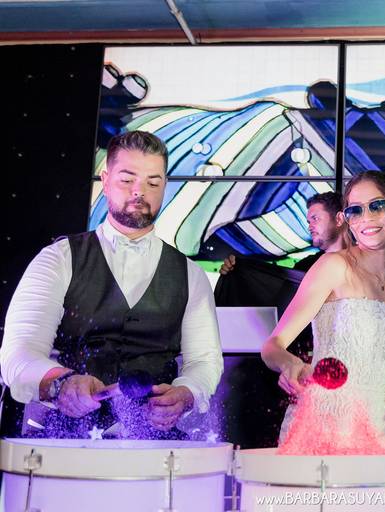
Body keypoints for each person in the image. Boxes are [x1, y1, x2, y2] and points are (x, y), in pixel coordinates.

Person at [0, 131, 223, 439]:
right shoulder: (58, 259)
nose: (139, 191)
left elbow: (204, 361)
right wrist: (60, 382)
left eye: (153, 182)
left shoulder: (190, 274)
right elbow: (18, 354)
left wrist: (186, 393)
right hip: (60, 442)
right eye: (127, 179)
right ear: (105, 181)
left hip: (153, 443)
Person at [260, 171, 385, 453]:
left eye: (377, 206)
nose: (366, 218)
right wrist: (290, 364)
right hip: (325, 429)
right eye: (355, 210)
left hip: (382, 432)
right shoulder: (334, 266)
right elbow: (271, 346)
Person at [220, 191, 385, 310]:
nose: (310, 226)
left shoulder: (380, 263)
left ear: (339, 219)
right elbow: (271, 298)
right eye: (308, 220)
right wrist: (238, 271)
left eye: (315, 218)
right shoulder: (305, 267)